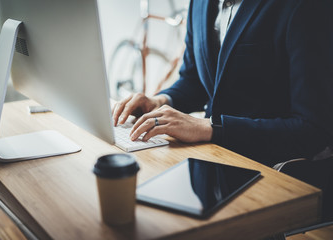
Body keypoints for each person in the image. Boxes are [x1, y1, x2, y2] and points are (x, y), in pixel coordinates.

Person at [112, 0, 333, 167]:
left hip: (278, 168)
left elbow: (312, 130)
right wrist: (159, 101)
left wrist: (210, 128)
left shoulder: (307, 7)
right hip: (214, 157)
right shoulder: (199, 3)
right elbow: (195, 81)